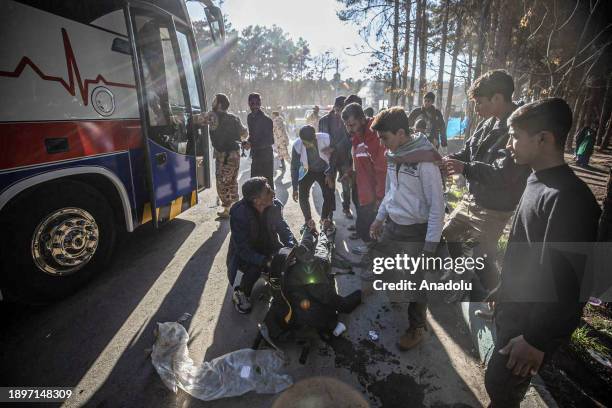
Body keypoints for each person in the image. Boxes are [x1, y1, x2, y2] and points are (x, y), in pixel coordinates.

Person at [485, 98, 601, 407]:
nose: (510, 144)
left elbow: (571, 285)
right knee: (497, 385)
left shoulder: (571, 199)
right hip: (514, 313)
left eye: (515, 135)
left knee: (502, 391)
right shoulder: (536, 179)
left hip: (529, 329)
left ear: (543, 138)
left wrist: (537, 339)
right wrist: (503, 288)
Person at [442, 70, 530, 300]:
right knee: (449, 231)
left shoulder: (517, 130)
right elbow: (467, 151)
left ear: (498, 99)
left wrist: (466, 169)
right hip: (473, 198)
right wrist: (449, 160)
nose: (476, 108)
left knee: (481, 259)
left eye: (480, 102)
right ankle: (459, 273)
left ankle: (489, 301)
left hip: (494, 207)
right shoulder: (487, 123)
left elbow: (503, 175)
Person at [369, 107, 445, 350]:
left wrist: (430, 246)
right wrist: (379, 218)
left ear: (401, 133)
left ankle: (417, 328)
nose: (382, 144)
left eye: (385, 138)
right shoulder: (396, 156)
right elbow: (392, 192)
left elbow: (436, 206)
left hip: (415, 231)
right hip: (394, 225)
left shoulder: (425, 162)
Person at [227, 177, 296, 314]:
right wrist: (265, 261)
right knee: (255, 267)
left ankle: (269, 273)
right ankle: (240, 293)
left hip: (269, 246)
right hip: (246, 255)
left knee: (290, 259)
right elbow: (243, 250)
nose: (273, 192)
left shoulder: (274, 205)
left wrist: (291, 246)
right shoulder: (239, 214)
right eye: (268, 191)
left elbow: (283, 228)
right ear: (257, 200)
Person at [341, 103, 387, 254]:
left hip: (375, 194)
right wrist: (350, 173)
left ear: (362, 119)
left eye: (352, 125)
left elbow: (381, 169)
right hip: (363, 191)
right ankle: (370, 252)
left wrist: (380, 197)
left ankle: (374, 261)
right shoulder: (357, 136)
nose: (349, 130)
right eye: (347, 126)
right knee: (364, 227)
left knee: (372, 229)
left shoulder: (374, 136)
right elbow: (361, 161)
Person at [199, 94, 248, 218]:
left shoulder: (212, 116)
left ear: (219, 104)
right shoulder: (234, 118)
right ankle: (234, 207)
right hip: (235, 154)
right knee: (232, 180)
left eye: (215, 100)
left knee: (222, 182)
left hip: (224, 156)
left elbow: (197, 119)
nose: (213, 102)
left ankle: (228, 209)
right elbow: (244, 133)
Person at [291, 126, 335, 229]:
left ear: (315, 138)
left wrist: (330, 173)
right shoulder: (297, 145)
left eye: (308, 143)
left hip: (324, 170)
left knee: (329, 193)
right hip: (307, 171)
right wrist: (294, 187)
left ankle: (324, 218)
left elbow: (335, 157)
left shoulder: (326, 139)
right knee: (302, 196)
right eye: (304, 143)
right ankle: (308, 220)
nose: (306, 146)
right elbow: (294, 167)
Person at [319, 96, 354, 219]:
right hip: (329, 159)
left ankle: (346, 208)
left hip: (345, 157)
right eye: (339, 109)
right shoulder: (323, 120)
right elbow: (321, 139)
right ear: (334, 107)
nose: (340, 112)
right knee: (329, 186)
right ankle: (329, 212)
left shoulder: (349, 120)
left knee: (346, 185)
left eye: (343, 110)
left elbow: (349, 139)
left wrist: (334, 147)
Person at [246, 93, 275, 189]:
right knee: (254, 184)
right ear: (249, 104)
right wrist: (247, 141)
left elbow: (270, 141)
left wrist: (252, 144)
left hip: (266, 157)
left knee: (267, 183)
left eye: (256, 103)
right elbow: (251, 135)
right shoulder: (249, 117)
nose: (254, 106)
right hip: (255, 155)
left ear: (260, 103)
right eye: (252, 103)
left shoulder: (267, 120)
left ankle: (271, 203)